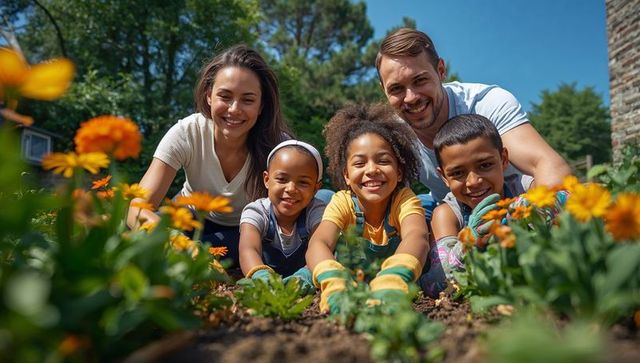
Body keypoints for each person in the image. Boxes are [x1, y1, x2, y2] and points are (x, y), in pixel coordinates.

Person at [126, 45, 291, 267]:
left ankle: (201, 258)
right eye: (225, 96)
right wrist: (176, 241)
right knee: (136, 238)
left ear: (262, 106)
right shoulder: (186, 132)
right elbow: (137, 207)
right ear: (209, 96)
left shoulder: (279, 148)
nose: (234, 109)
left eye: (248, 100)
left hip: (246, 231)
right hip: (188, 220)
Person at [376, 28, 571, 211]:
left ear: (441, 71)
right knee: (409, 211)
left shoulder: (488, 103)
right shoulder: (394, 135)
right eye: (396, 89)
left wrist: (523, 225)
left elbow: (550, 166)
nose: (411, 97)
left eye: (420, 80)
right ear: (383, 89)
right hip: (448, 210)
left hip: (514, 201)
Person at [421, 114, 568, 295]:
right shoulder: (448, 213)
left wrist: (527, 211)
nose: (473, 181)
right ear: (444, 177)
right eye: (458, 173)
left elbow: (567, 198)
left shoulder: (522, 188)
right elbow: (434, 282)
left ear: (504, 159)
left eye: (485, 165)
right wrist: (469, 243)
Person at [305, 104, 430, 313]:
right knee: (304, 274)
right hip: (351, 283)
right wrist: (333, 280)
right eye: (360, 163)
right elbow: (319, 242)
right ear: (346, 174)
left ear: (399, 171)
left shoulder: (404, 200)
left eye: (383, 161)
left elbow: (417, 236)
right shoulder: (343, 201)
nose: (371, 170)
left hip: (394, 287)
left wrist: (395, 277)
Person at [239, 140, 326, 294]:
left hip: (305, 272)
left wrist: (307, 274)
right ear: (266, 180)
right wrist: (260, 276)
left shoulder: (316, 211)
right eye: (282, 179)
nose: (291, 189)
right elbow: (248, 249)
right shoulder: (256, 211)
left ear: (316, 188)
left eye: (303, 182)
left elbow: (323, 246)